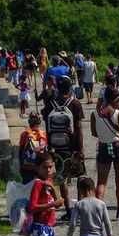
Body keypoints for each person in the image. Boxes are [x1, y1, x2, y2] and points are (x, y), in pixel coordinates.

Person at [43, 75, 86, 218]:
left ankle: (68, 211)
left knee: (62, 179)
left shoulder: (50, 104)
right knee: (79, 175)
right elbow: (78, 127)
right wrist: (81, 148)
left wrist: (49, 146)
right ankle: (79, 209)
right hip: (73, 146)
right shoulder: (75, 104)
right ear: (70, 88)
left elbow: (47, 127)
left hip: (58, 147)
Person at [91, 86, 119, 218]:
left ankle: (98, 213)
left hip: (103, 148)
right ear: (114, 100)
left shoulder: (95, 114)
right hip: (118, 147)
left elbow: (94, 133)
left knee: (101, 181)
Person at [27, 152, 62, 236]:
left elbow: (58, 203)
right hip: (41, 227)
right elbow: (32, 207)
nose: (48, 170)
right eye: (45, 167)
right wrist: (51, 205)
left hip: (49, 226)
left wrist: (53, 190)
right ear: (37, 168)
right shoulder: (38, 183)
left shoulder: (48, 182)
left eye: (50, 167)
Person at [18, 113, 48, 184]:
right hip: (41, 168)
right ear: (39, 122)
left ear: (29, 122)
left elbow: (21, 151)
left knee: (27, 191)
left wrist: (21, 166)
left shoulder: (24, 134)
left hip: (27, 168)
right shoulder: (44, 134)